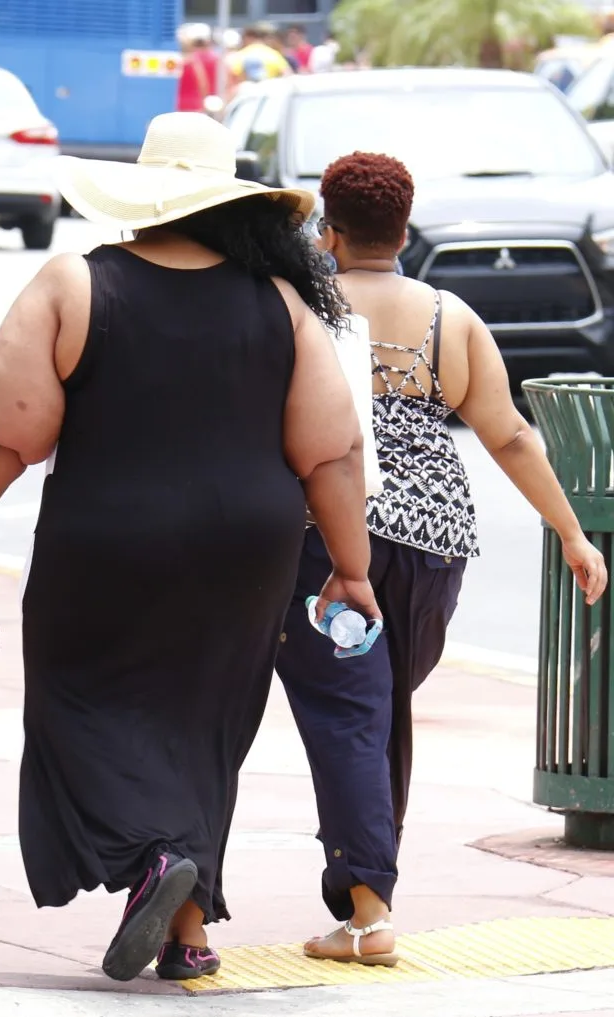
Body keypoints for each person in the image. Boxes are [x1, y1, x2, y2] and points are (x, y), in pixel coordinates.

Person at [0, 112, 381, 983]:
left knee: (78, 699)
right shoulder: (282, 303)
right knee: (206, 719)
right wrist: (351, 570)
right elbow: (332, 451)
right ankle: (188, 928)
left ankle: (154, 858)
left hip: (108, 536)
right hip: (248, 547)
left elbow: (3, 430)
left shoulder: (77, 284)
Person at [275, 151, 608, 966]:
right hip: (433, 545)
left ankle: (368, 908)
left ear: (330, 230)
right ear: (405, 229)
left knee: (352, 712)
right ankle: (365, 897)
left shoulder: (300, 307)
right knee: (382, 706)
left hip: (330, 537)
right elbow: (510, 433)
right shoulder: (447, 317)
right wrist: (571, 530)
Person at [225, 22, 292, 102]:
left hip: (246, 100)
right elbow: (288, 75)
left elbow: (231, 80)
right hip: (271, 99)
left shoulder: (241, 55)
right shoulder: (273, 54)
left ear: (248, 37)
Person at [175, 23, 219, 114]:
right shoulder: (215, 58)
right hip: (197, 106)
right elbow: (203, 84)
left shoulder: (179, 62)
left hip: (178, 105)